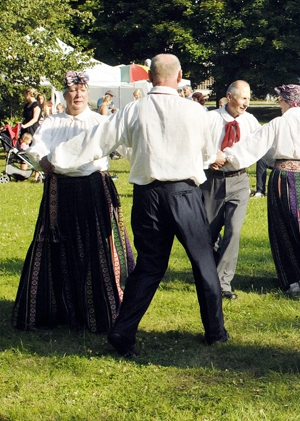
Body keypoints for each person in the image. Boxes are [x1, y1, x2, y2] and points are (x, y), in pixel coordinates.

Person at [46, 54, 227, 357]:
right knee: (203, 262)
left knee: (148, 266)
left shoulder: (134, 109)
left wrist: (57, 158)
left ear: (149, 77)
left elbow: (99, 139)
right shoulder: (195, 111)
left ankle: (123, 330)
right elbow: (208, 152)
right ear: (179, 75)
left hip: (147, 196)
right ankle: (215, 332)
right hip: (184, 193)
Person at [13, 71, 134, 333]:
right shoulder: (52, 122)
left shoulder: (101, 121)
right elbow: (36, 150)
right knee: (56, 246)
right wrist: (42, 160)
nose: (77, 95)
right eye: (72, 91)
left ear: (88, 93)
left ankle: (99, 308)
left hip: (93, 187)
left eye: (81, 91)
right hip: (60, 190)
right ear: (64, 94)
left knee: (96, 247)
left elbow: (129, 147)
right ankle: (59, 308)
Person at [222, 84, 300, 297]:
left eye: (280, 99)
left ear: (286, 101)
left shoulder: (278, 123)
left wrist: (226, 157)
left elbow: (251, 147)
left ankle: (292, 280)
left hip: (284, 180)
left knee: (283, 228)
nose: (278, 103)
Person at [201, 80, 261, 300]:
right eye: (242, 98)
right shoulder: (210, 119)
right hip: (211, 181)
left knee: (234, 231)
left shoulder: (251, 122)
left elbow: (259, 148)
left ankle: (223, 282)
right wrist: (209, 160)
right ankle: (210, 273)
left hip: (239, 181)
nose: (246, 103)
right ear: (229, 96)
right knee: (209, 232)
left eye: (248, 98)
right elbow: (197, 145)